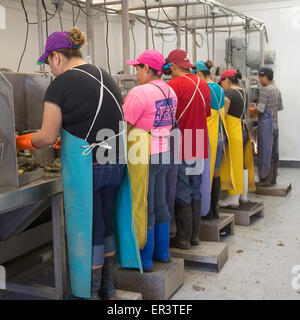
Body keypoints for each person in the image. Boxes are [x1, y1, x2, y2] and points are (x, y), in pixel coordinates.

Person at [15, 28, 138, 300]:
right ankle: (109, 289)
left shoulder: (60, 85)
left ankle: (89, 293)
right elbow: (104, 121)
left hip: (88, 171)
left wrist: (21, 142)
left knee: (90, 230)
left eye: (48, 62)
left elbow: (46, 136)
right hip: (115, 163)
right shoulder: (105, 75)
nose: (50, 69)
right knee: (107, 226)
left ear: (57, 56)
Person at [123, 50, 178, 271]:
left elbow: (124, 128)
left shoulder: (139, 93)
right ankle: (162, 253)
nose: (136, 73)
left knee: (144, 206)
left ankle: (145, 259)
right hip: (164, 151)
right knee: (160, 202)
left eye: (137, 68)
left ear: (147, 69)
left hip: (143, 155)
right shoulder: (170, 91)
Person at [163, 49, 211, 249]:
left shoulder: (172, 86)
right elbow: (207, 114)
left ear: (174, 66)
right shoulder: (204, 85)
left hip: (181, 140)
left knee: (181, 189)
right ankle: (194, 236)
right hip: (199, 139)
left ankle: (182, 239)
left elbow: (165, 119)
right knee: (195, 188)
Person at [218, 69, 256, 208]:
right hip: (244, 129)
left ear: (226, 80)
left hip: (234, 132)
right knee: (243, 164)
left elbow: (223, 113)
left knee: (233, 165)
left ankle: (233, 199)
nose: (221, 86)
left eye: (222, 82)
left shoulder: (229, 93)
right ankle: (243, 197)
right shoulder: (243, 92)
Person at [192, 60, 225, 220]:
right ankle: (214, 210)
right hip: (219, 136)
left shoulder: (202, 88)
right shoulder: (219, 88)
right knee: (215, 173)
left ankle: (204, 211)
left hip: (206, 137)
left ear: (198, 73)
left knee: (204, 174)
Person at [255, 67, 283, 186]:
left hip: (267, 126)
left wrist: (252, 109)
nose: (259, 80)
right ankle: (273, 179)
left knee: (266, 152)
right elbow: (280, 107)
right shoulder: (276, 89)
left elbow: (260, 109)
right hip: (275, 125)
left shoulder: (266, 90)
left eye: (260, 77)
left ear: (265, 77)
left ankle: (265, 180)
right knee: (273, 153)